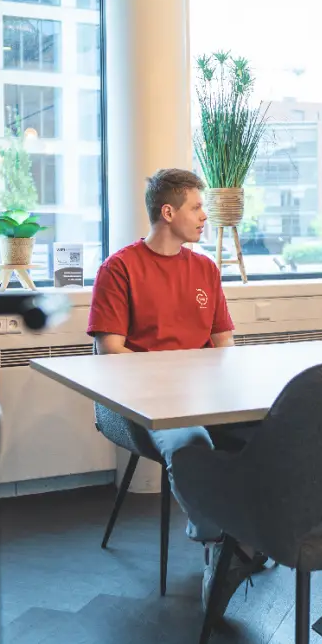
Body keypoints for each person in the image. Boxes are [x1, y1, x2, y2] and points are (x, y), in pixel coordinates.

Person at [86, 168, 250, 601]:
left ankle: (249, 533)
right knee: (190, 441)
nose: (204, 217)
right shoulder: (119, 268)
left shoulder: (205, 268)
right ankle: (218, 542)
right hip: (145, 402)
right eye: (196, 208)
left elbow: (224, 344)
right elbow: (110, 352)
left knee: (269, 430)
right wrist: (173, 381)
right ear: (168, 212)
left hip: (205, 395)